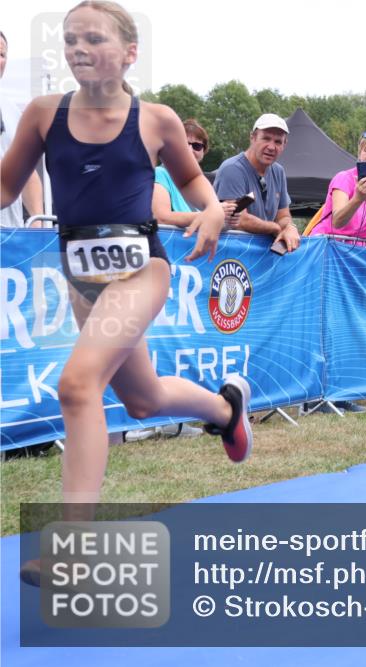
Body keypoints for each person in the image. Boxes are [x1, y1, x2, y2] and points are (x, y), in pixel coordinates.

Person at [1, 1, 253, 583]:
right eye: (70, 40)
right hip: (82, 279)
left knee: (77, 383)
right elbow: (5, 186)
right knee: (141, 401)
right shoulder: (42, 115)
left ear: (129, 52)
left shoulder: (155, 119)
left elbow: (192, 180)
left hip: (143, 271)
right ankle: (224, 409)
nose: (79, 48)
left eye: (94, 38)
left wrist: (212, 211)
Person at [307, 130, 366, 413]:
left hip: (355, 262)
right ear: (359, 153)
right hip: (326, 255)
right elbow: (340, 220)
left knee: (347, 325)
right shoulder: (343, 180)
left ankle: (340, 391)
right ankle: (316, 396)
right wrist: (358, 197)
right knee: (325, 324)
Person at [213, 113, 301, 251]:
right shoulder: (232, 169)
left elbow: (283, 215)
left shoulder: (278, 171)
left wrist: (290, 227)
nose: (271, 147)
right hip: (228, 256)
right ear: (252, 138)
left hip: (260, 257)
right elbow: (239, 220)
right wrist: (275, 228)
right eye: (266, 138)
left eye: (278, 141)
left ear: (285, 145)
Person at [0, 31, 45, 228]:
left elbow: (27, 174)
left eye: (1, 54)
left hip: (11, 238)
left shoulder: (11, 110)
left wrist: (38, 223)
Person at [150, 118, 209, 228]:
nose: (190, 150)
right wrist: (208, 215)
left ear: (203, 151)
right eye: (185, 144)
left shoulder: (201, 184)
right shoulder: (159, 173)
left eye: (197, 146)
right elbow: (160, 217)